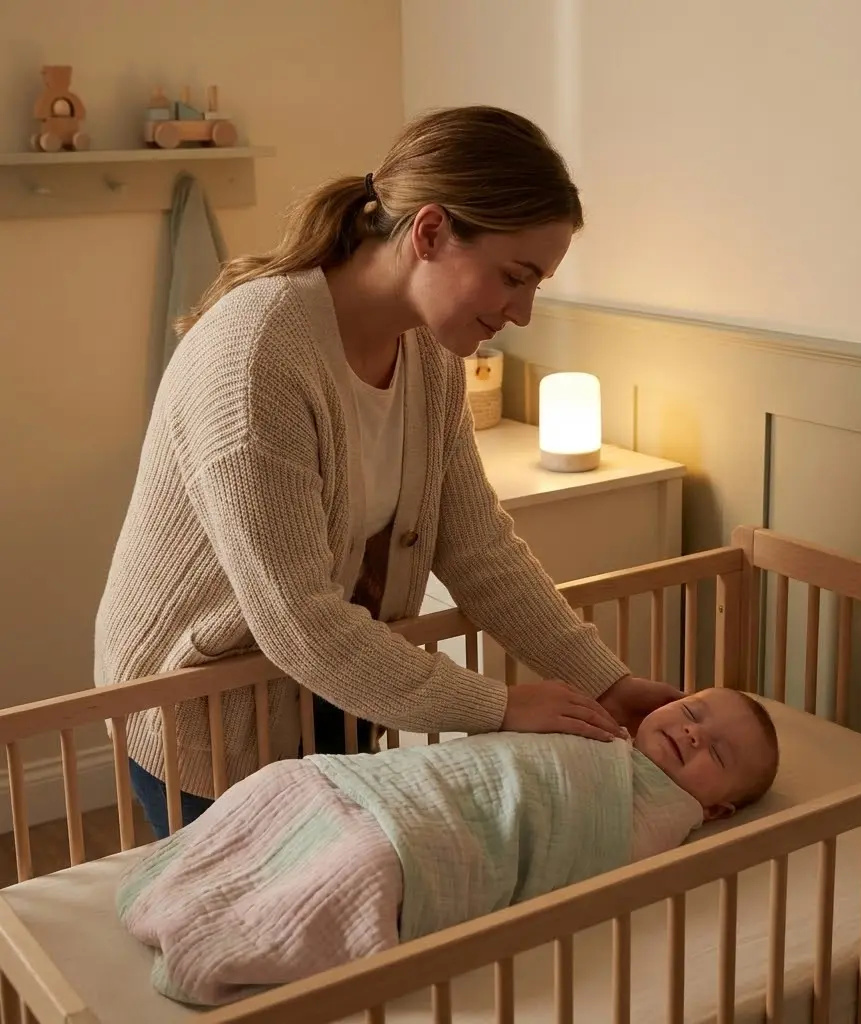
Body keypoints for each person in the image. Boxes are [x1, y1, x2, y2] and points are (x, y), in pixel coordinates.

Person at [94, 104, 682, 841]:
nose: (524, 312)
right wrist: (499, 706)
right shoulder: (257, 360)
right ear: (430, 232)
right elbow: (300, 622)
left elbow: (478, 548)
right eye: (514, 276)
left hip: (335, 689)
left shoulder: (430, 357)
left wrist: (608, 680)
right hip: (210, 714)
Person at [116, 687, 780, 1006]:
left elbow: (596, 850)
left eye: (715, 752)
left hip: (432, 834)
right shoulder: (599, 733)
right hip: (404, 785)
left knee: (371, 862)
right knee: (292, 779)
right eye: (692, 714)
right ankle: (191, 890)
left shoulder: (668, 816)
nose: (693, 736)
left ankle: (215, 935)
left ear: (715, 807)